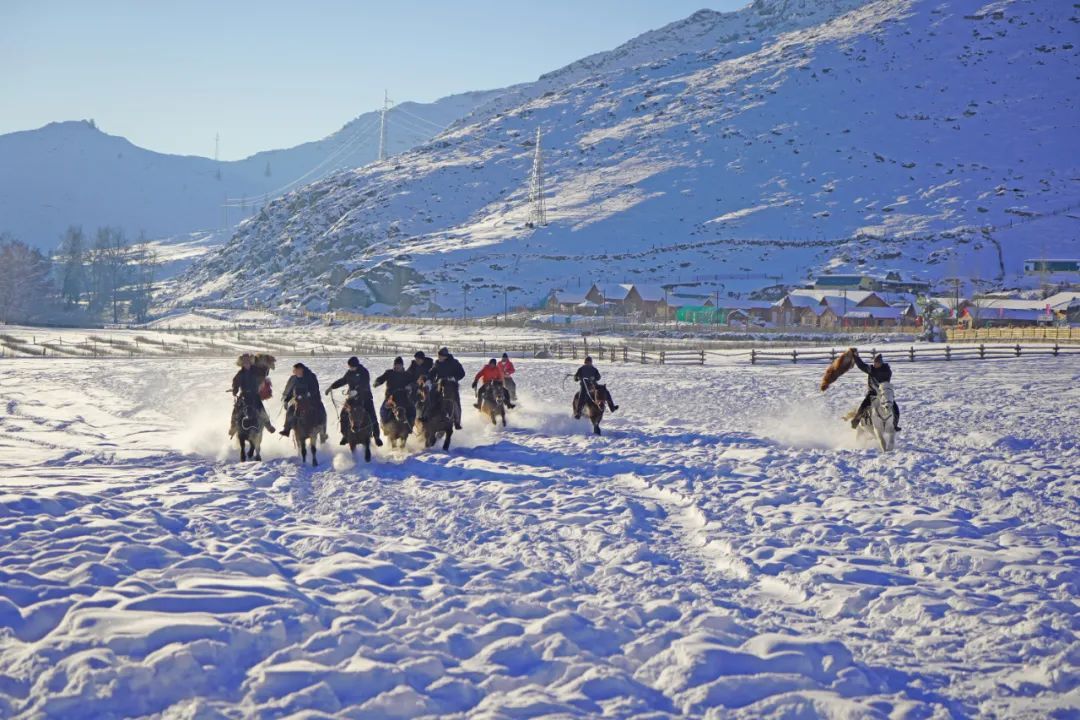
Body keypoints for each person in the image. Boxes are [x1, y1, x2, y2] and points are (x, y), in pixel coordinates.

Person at [326, 356, 383, 446]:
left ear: (356, 365)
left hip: (365, 397)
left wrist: (356, 390)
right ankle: (345, 435)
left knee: (372, 416)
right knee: (343, 414)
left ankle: (376, 436)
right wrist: (332, 386)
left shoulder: (364, 372)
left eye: (352, 367)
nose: (350, 368)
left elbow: (364, 383)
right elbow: (343, 380)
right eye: (349, 367)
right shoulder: (349, 373)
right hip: (352, 398)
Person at [850, 350, 901, 431]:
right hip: (872, 392)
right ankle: (856, 420)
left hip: (883, 393)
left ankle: (894, 425)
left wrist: (873, 372)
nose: (875, 364)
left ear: (881, 363)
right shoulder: (871, 369)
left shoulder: (887, 370)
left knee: (895, 407)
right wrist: (856, 357)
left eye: (877, 363)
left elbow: (882, 376)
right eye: (874, 362)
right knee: (863, 405)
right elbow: (862, 365)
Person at [280, 363, 327, 440]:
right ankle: (286, 429)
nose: (294, 372)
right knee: (290, 410)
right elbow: (291, 390)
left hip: (313, 399)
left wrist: (308, 394)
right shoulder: (294, 378)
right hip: (298, 400)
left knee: (322, 412)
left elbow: (315, 388)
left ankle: (323, 433)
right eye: (294, 370)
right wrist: (286, 400)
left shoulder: (311, 376)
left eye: (295, 370)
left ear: (301, 369)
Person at [231, 353, 275, 435]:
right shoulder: (240, 374)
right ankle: (233, 427)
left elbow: (264, 374)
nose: (246, 363)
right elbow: (235, 383)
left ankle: (269, 426)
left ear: (250, 362)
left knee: (261, 409)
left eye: (248, 361)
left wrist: (267, 366)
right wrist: (235, 389)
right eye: (244, 362)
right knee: (236, 410)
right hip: (244, 395)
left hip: (255, 395)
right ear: (242, 363)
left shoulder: (256, 371)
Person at [374, 357, 417, 425]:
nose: (397, 367)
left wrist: (410, 386)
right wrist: (377, 381)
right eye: (396, 365)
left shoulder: (407, 374)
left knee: (412, 408)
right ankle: (384, 423)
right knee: (383, 408)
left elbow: (414, 383)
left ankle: (411, 423)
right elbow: (382, 378)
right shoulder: (389, 373)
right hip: (391, 397)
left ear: (402, 366)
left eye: (399, 365)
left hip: (404, 397)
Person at [430, 347, 466, 429]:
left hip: (451, 385)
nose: (439, 358)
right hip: (440, 384)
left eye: (441, 356)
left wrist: (454, 378)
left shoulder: (454, 363)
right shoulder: (437, 363)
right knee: (431, 396)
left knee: (455, 401)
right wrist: (429, 378)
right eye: (438, 356)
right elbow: (432, 372)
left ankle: (457, 421)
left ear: (445, 356)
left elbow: (462, 373)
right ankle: (430, 415)